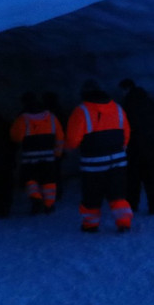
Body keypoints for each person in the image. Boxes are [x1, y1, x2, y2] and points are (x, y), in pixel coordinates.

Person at [65, 79, 133, 233]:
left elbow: (73, 139)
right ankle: (123, 222)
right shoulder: (117, 108)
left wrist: (67, 150)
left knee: (92, 195)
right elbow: (126, 133)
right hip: (118, 160)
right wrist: (120, 150)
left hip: (93, 163)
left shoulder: (81, 111)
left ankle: (90, 225)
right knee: (117, 194)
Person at [10, 91, 64, 214]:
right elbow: (60, 136)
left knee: (30, 179)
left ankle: (36, 198)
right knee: (49, 180)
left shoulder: (22, 119)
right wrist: (57, 153)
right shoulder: (51, 117)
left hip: (29, 157)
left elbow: (16, 137)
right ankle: (49, 205)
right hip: (48, 156)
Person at [118, 78, 154, 215]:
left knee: (133, 179)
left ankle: (132, 205)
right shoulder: (150, 103)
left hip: (134, 148)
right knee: (152, 179)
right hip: (151, 147)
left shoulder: (129, 104)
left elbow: (126, 126)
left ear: (126, 88)